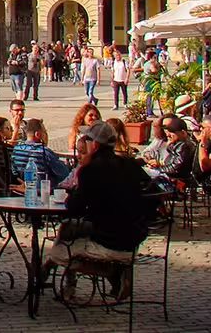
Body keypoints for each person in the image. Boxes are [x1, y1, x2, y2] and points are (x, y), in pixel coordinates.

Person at [44, 122, 152, 300]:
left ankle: (112, 272)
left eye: (87, 141)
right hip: (134, 235)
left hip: (107, 238)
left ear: (94, 145)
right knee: (68, 228)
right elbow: (152, 192)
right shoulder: (129, 164)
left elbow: (73, 208)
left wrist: (74, 192)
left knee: (58, 253)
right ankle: (54, 275)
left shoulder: (90, 171)